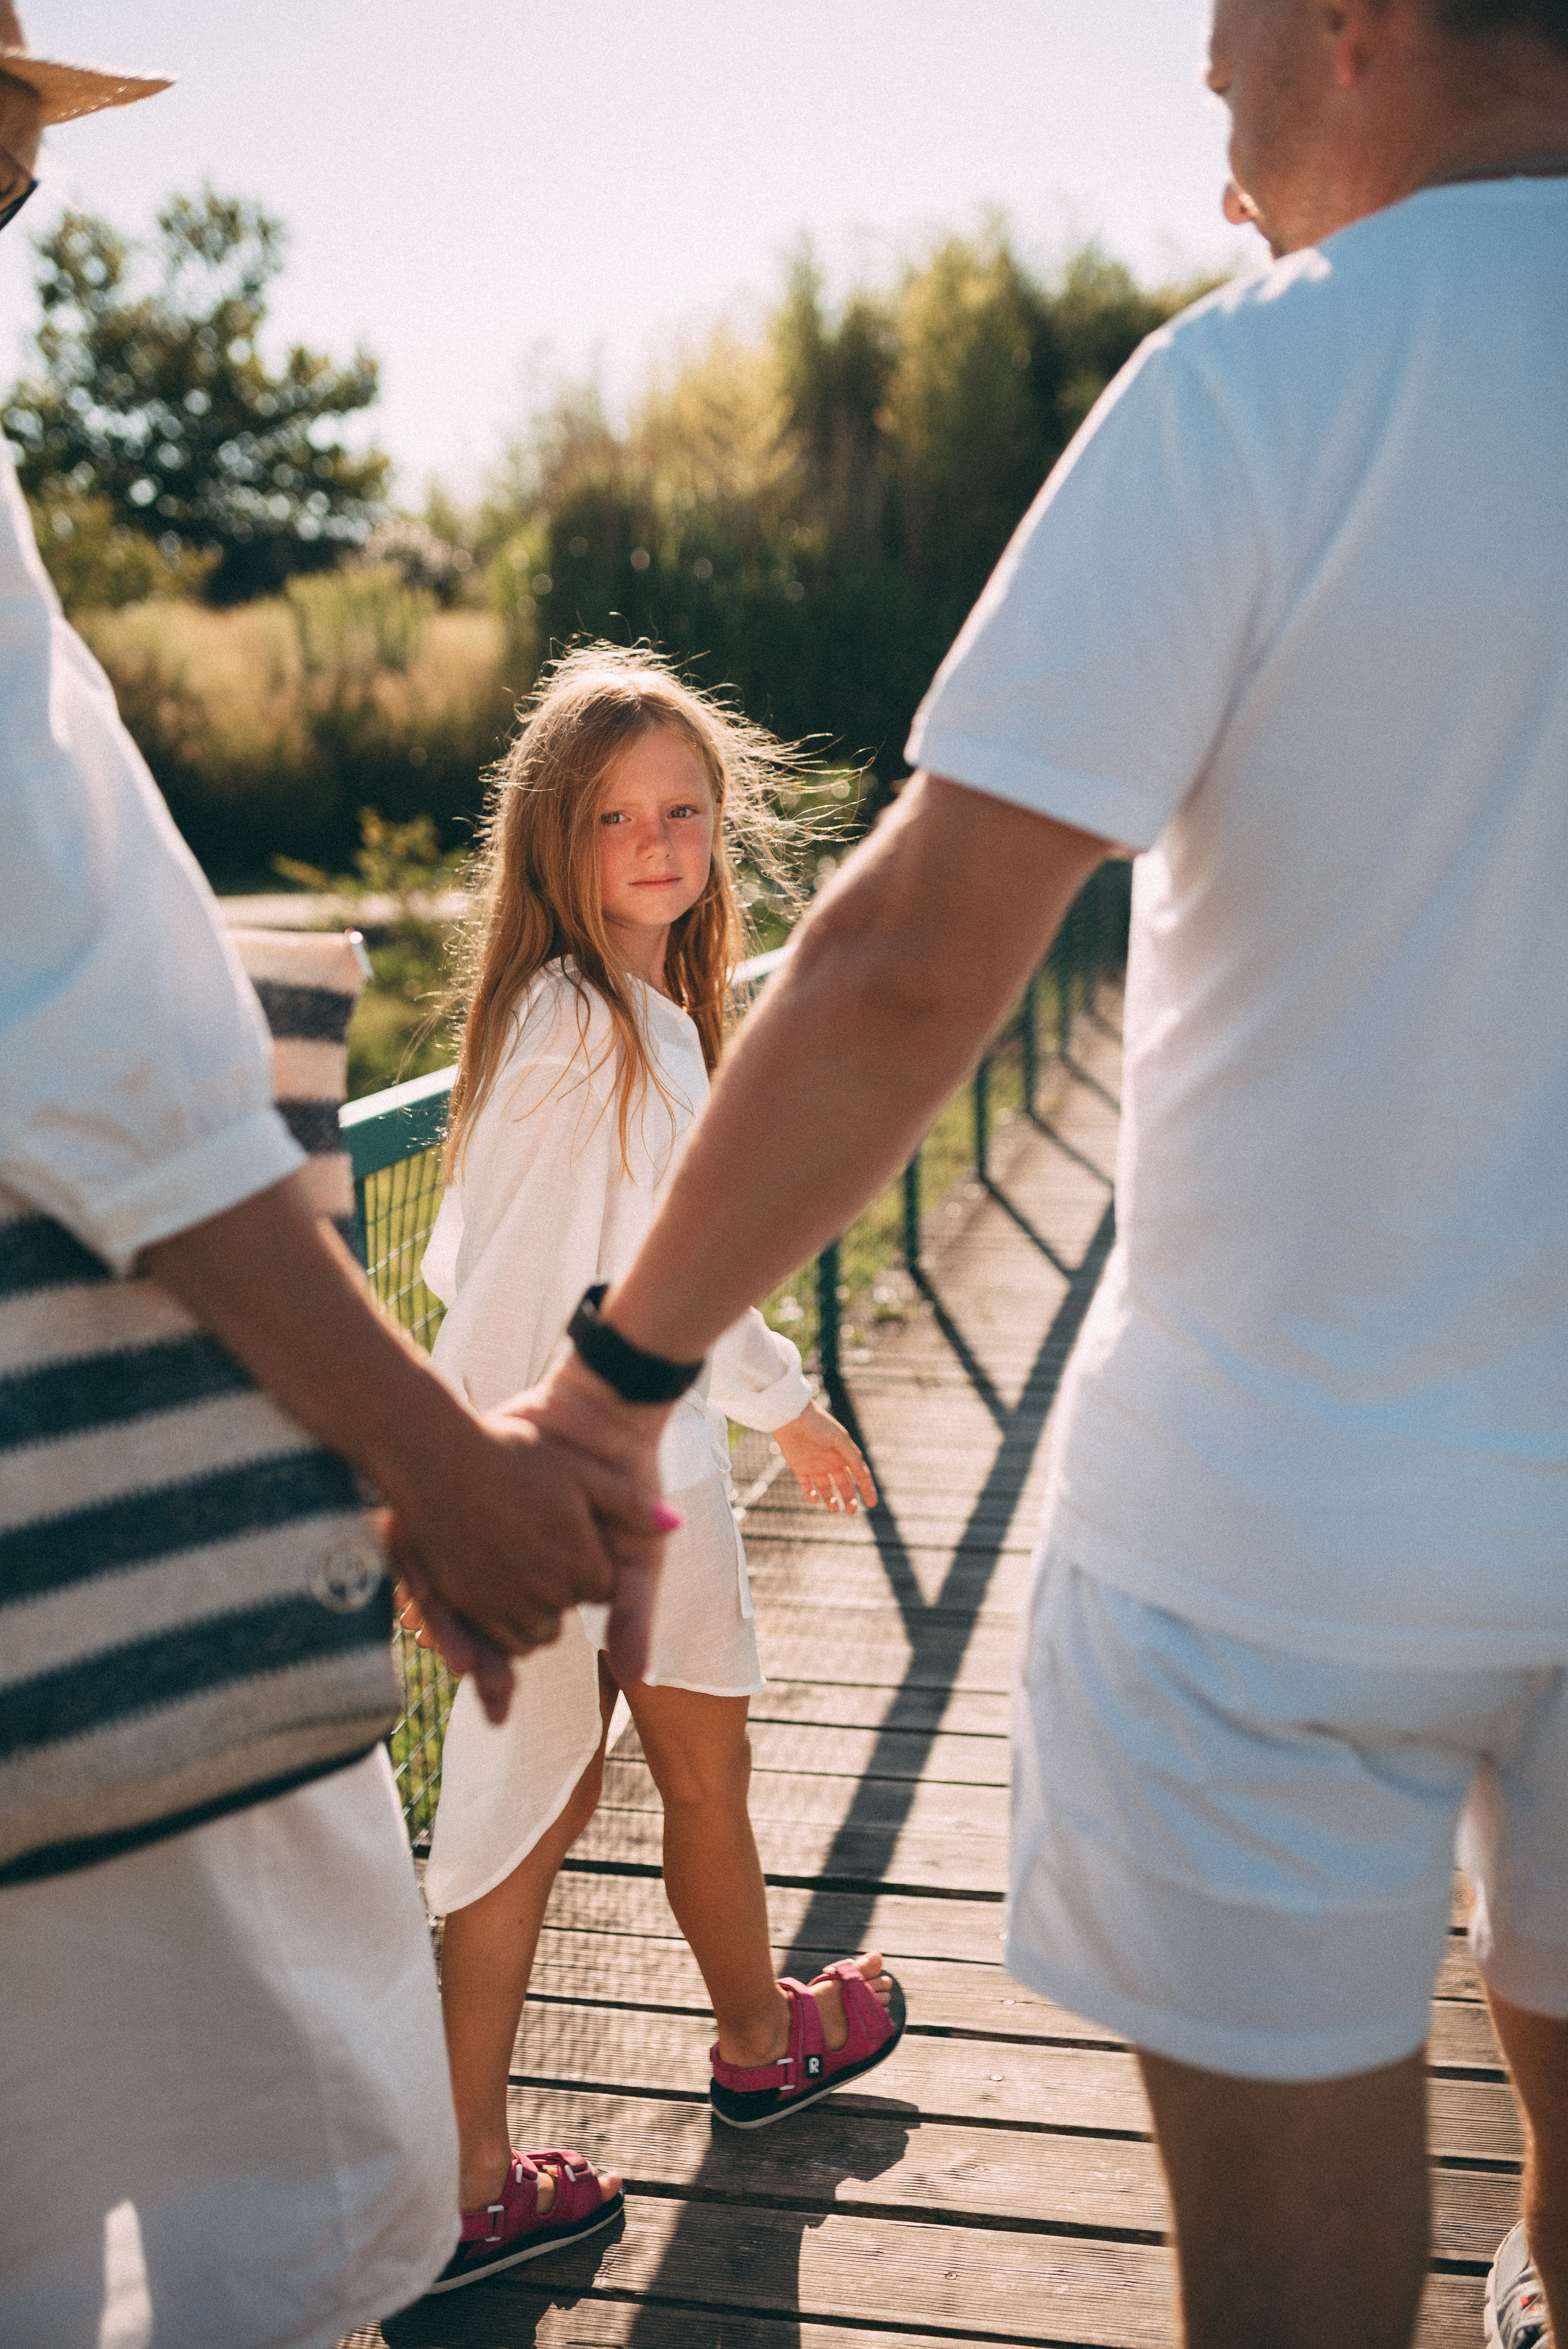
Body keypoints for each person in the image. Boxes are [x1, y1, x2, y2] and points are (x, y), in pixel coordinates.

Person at [510, 6, 1568, 2347]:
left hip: (1273, 1546)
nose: (1224, 178)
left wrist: (614, 1386)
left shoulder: (1255, 388)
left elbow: (900, 963)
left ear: (1352, 29)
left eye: (1229, 98)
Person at [0, 21, 657, 2345]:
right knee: (249, 2185)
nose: (29, 201)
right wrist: (426, 1457)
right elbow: (92, 1053)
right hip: (92, 1606)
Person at [405, 647, 903, 2291]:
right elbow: (498, 1298)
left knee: (690, 1776)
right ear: (558, 838)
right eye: (620, 814)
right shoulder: (570, 1024)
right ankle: (473, 2181)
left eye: (685, 809)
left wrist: (779, 1400)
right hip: (564, 1490)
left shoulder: (651, 1017)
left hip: (661, 1476)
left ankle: (759, 2040)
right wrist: (458, 1502)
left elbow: (667, 1272)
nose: (661, 838)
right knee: (516, 1822)